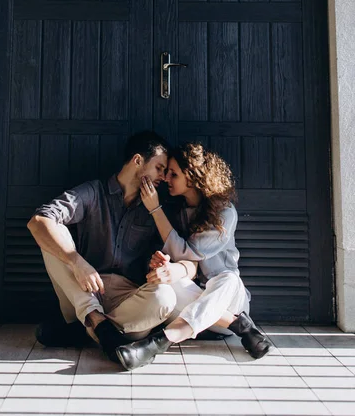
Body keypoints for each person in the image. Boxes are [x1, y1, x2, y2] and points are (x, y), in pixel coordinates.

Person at [116, 142, 271, 370]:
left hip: (231, 299)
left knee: (227, 279)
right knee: (166, 284)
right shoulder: (179, 212)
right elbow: (184, 262)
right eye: (166, 172)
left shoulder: (224, 213)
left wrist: (155, 211)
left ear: (193, 177)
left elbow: (189, 253)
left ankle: (158, 343)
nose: (167, 179)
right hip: (205, 309)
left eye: (173, 174)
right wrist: (166, 265)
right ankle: (240, 326)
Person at [27, 131, 180, 362]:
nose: (164, 177)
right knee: (51, 234)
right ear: (138, 160)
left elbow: (168, 253)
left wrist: (159, 262)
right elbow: (38, 221)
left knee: (166, 297)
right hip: (84, 291)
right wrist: (76, 262)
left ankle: (87, 330)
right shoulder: (93, 192)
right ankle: (97, 322)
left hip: (129, 303)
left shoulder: (155, 207)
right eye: (159, 168)